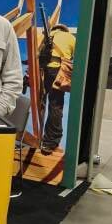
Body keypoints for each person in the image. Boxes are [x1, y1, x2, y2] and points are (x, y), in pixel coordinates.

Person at [40, 23, 76, 155]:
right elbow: (73, 57)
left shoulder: (47, 35)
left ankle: (36, 137)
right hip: (58, 73)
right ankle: (50, 143)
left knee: (39, 104)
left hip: (43, 70)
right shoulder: (71, 38)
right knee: (56, 106)